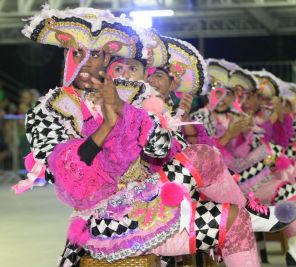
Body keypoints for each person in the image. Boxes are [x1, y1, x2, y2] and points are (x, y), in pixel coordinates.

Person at [16, 7, 264, 267]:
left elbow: (162, 149)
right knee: (224, 206)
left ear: (107, 58)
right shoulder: (48, 110)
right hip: (106, 222)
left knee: (231, 209)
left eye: (97, 53)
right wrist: (107, 126)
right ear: (67, 54)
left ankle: (247, 207)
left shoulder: (129, 96)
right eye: (78, 52)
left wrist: (123, 109)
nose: (87, 60)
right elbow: (68, 178)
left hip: (152, 199)